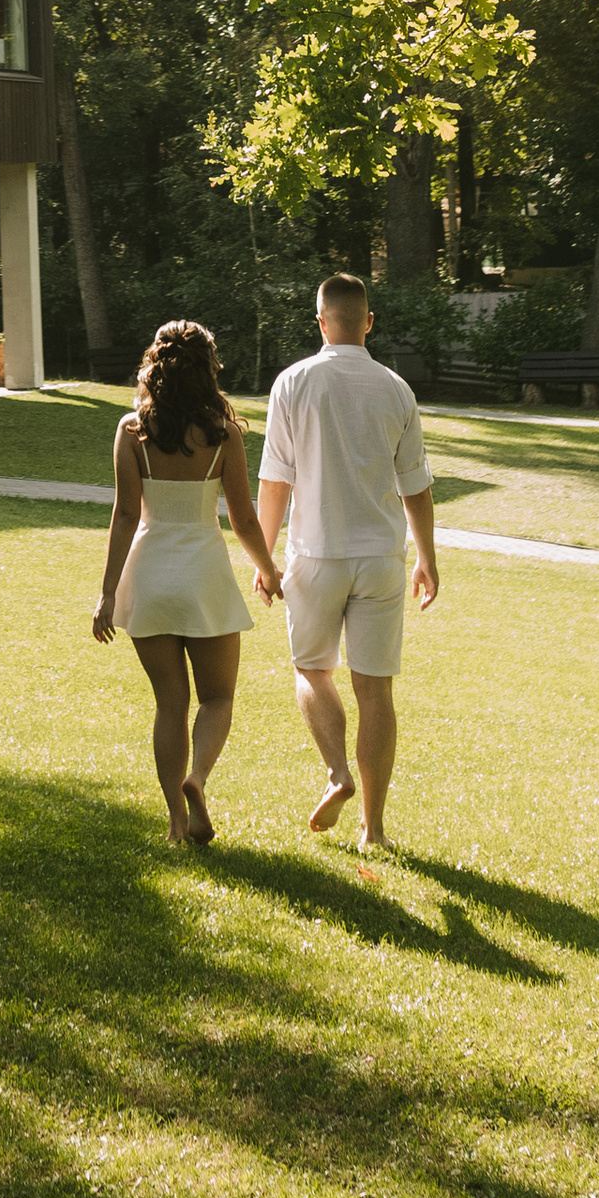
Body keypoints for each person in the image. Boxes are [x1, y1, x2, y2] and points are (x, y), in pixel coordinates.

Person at [257, 273, 438, 858]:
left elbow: (274, 483)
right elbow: (416, 487)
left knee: (312, 670)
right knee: (376, 691)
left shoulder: (292, 383)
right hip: (382, 559)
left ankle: (337, 772)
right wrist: (428, 559)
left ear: (320, 321)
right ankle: (374, 828)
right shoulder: (396, 389)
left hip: (315, 555)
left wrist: (264, 559)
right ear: (367, 321)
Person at [92, 317, 281, 845]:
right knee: (217, 697)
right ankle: (197, 777)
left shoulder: (133, 431)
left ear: (156, 366)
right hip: (204, 578)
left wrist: (108, 593)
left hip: (149, 577)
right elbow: (244, 519)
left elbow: (126, 514)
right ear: (207, 370)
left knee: (169, 705)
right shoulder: (224, 435)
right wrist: (268, 569)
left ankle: (176, 822)